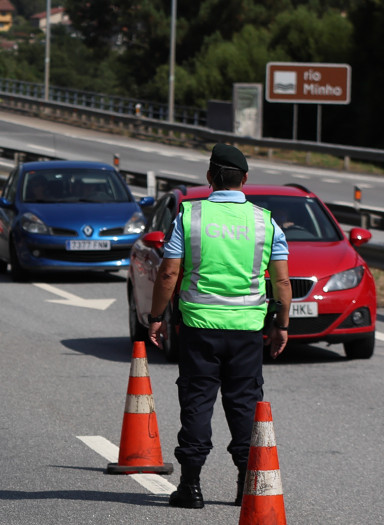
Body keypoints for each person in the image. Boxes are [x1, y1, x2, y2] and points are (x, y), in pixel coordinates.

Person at [148, 143, 291, 509]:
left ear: (210, 177)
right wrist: (281, 325)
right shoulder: (265, 221)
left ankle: (191, 487)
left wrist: (155, 318)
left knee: (197, 401)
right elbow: (283, 283)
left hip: (198, 327)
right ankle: (245, 486)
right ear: (244, 179)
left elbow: (168, 273)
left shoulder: (189, 216)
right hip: (246, 330)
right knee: (244, 403)